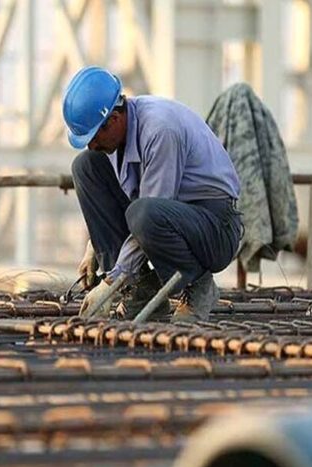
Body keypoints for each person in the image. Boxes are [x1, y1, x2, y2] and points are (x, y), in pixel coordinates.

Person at [63, 66, 243, 323]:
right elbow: (136, 198)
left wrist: (111, 281)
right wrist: (95, 246)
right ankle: (139, 292)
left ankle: (198, 284)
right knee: (85, 166)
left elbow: (149, 212)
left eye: (93, 136)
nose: (92, 144)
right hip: (170, 217)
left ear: (113, 119)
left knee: (142, 214)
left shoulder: (160, 131)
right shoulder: (120, 135)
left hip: (214, 227)